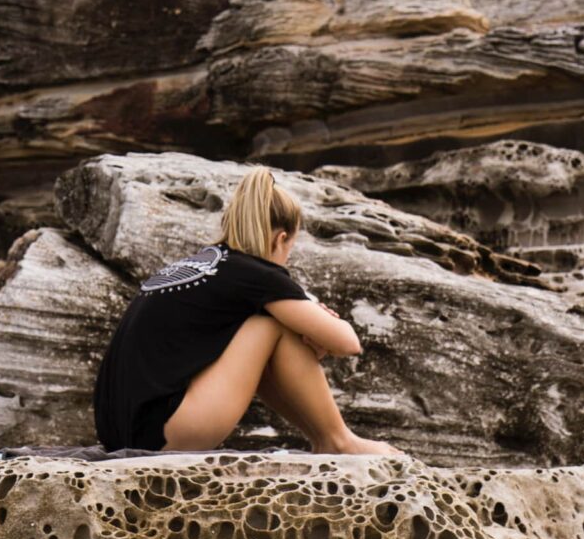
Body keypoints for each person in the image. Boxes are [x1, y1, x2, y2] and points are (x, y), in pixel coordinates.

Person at [93, 165, 405, 456]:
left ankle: (326, 440)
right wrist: (308, 318)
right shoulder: (256, 275)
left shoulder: (206, 265)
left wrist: (306, 316)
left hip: (123, 432)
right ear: (280, 239)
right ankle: (337, 440)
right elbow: (348, 342)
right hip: (162, 435)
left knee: (268, 320)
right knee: (272, 324)